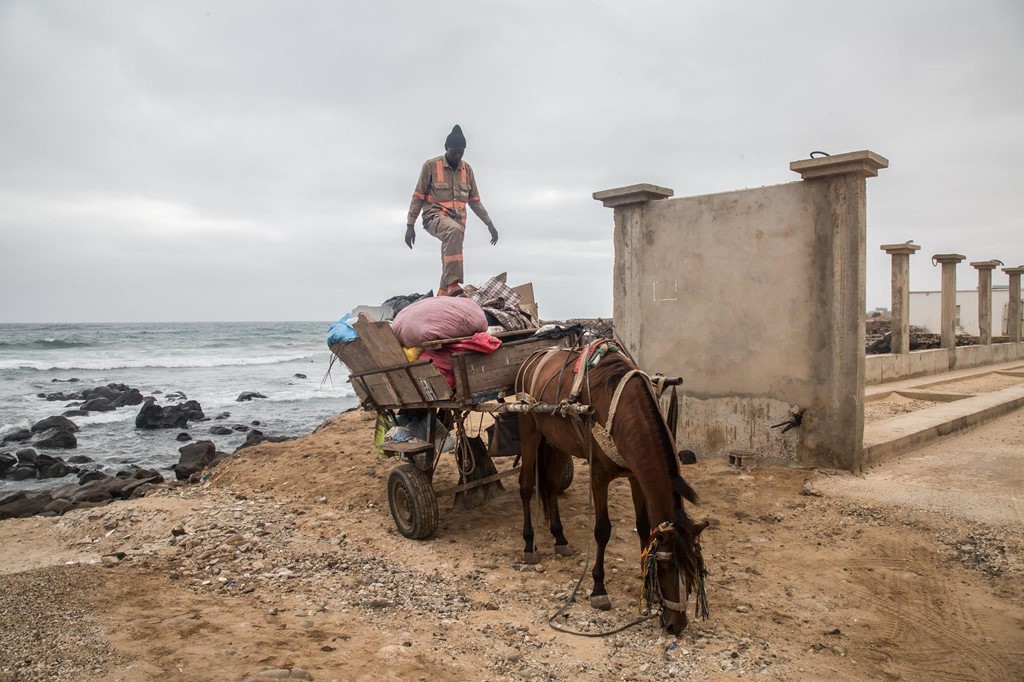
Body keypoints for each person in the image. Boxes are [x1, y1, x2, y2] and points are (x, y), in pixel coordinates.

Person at [405, 125, 498, 296]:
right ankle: (454, 284)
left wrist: (489, 224)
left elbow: (475, 201)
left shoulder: (467, 170)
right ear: (446, 149)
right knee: (453, 232)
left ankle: (443, 294)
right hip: (434, 216)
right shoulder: (431, 166)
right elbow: (418, 196)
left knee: (451, 256)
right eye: (455, 152)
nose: (458, 156)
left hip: (458, 223)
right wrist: (410, 225)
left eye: (461, 153)